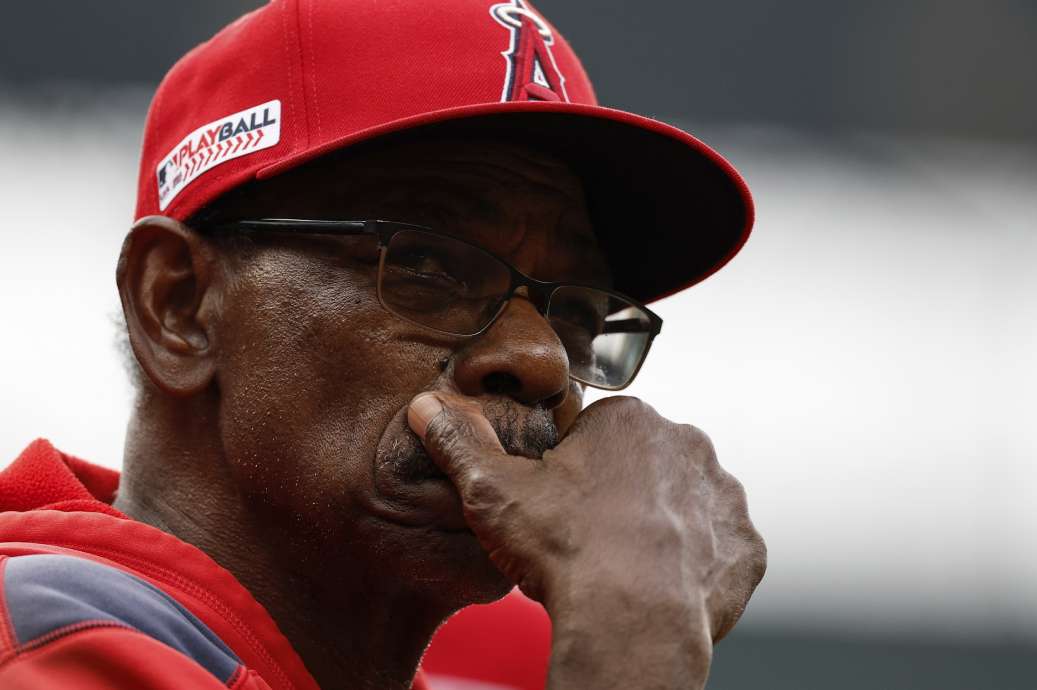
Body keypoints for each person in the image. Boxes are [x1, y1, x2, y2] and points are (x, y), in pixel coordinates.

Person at [0, 1, 766, 689]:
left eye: (579, 313)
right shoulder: (48, 644)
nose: (540, 360)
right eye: (429, 265)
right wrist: (632, 643)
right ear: (179, 305)